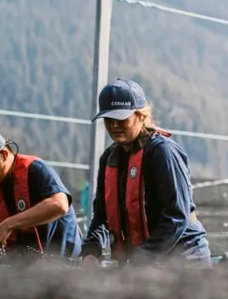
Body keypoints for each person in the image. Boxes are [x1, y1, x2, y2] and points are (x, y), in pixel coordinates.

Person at [80, 78, 211, 267]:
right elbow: (101, 216)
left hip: (184, 261)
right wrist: (91, 251)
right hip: (142, 263)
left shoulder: (163, 152)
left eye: (121, 118)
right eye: (109, 119)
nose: (114, 125)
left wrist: (141, 260)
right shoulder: (109, 159)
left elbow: (177, 216)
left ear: (141, 115)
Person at [0, 125, 82, 263]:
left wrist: (8, 225)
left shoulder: (36, 170)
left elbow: (60, 204)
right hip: (25, 266)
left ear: (3, 155)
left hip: (65, 263)